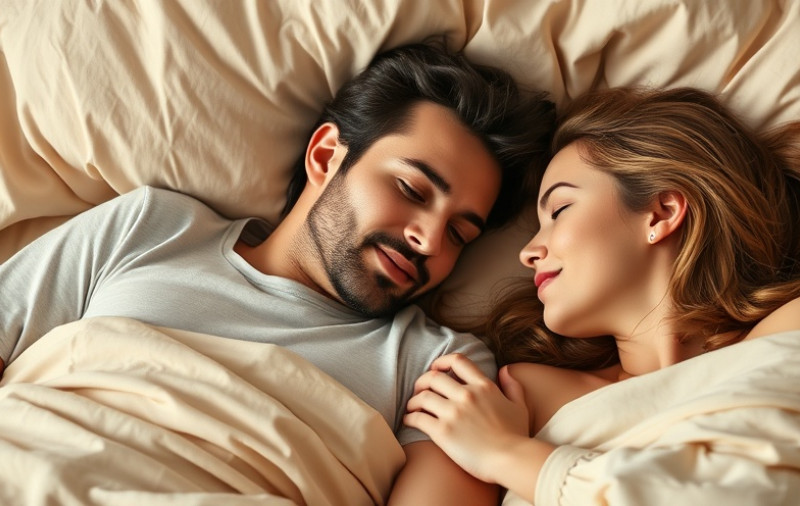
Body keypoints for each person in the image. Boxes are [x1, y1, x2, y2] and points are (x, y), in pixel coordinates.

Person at [0, 42, 556, 504]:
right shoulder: (151, 225)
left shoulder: (440, 366)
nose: (429, 240)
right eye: (411, 190)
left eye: (460, 234)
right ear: (325, 156)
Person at [403, 86, 800, 503]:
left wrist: (508, 456)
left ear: (661, 213)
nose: (529, 251)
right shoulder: (515, 395)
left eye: (560, 209)